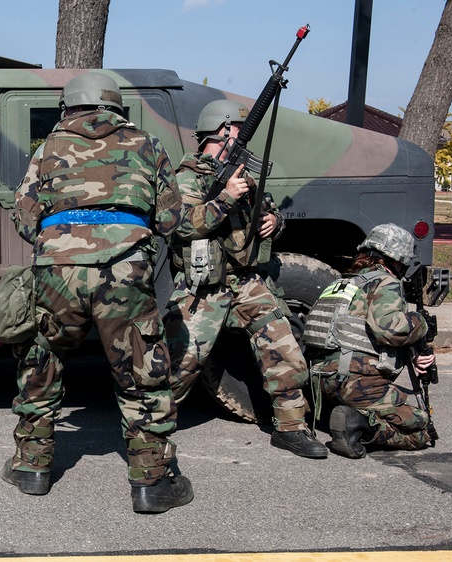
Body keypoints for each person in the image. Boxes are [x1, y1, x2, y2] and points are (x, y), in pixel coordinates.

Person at [2, 73, 231, 513]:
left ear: (69, 108)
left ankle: (31, 466)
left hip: (58, 270)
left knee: (42, 359)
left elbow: (26, 219)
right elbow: (170, 221)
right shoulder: (145, 144)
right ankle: (153, 483)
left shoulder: (48, 148)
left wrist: (63, 237)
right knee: (142, 372)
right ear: (115, 107)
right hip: (125, 270)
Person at [162, 99, 328, 459]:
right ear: (222, 132)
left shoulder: (242, 176)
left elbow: (266, 211)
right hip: (203, 287)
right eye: (237, 131)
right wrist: (225, 198)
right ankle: (148, 432)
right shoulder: (185, 179)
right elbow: (183, 225)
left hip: (247, 281)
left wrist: (275, 223)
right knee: (180, 363)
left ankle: (290, 427)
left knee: (285, 350)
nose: (242, 139)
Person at [304, 224, 436, 458]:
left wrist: (412, 356)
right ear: (397, 259)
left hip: (320, 383)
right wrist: (420, 322)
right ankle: (361, 427)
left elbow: (353, 333)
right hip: (355, 382)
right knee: (421, 428)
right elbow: (389, 330)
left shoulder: (342, 283)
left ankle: (349, 415)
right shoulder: (385, 282)